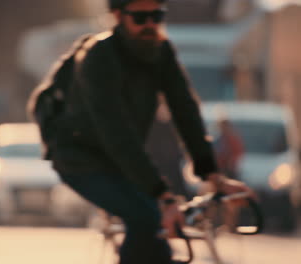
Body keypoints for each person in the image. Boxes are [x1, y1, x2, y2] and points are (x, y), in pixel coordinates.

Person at [29, 0, 253, 263]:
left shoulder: (160, 51)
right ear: (117, 16)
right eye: (140, 17)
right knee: (147, 218)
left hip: (119, 161)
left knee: (158, 233)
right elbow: (117, 133)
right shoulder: (98, 57)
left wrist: (212, 174)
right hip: (79, 160)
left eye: (157, 16)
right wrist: (162, 195)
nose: (150, 24)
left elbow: (185, 111)